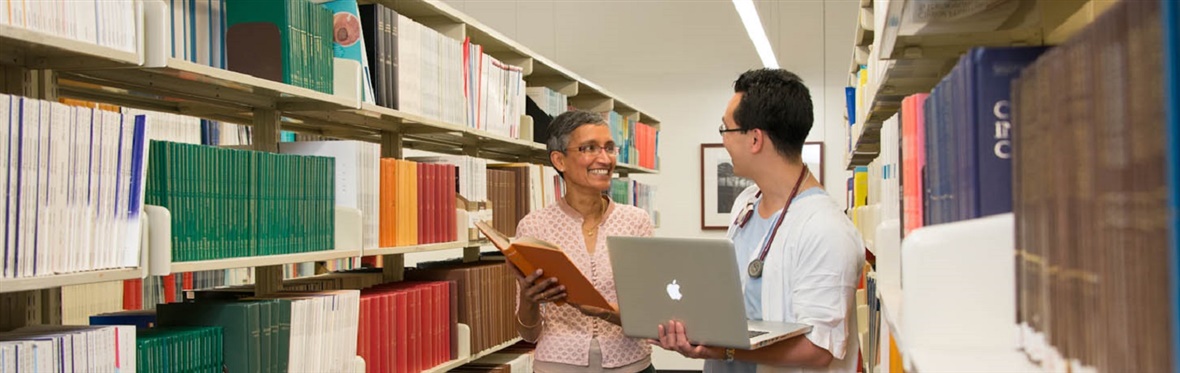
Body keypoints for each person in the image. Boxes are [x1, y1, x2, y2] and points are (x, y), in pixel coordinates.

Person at [653, 68, 865, 373]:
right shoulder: (746, 202)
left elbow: (819, 349)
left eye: (725, 130)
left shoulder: (826, 229)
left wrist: (724, 349)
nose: (723, 141)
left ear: (754, 139)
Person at [513, 110, 657, 373]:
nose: (604, 158)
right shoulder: (533, 226)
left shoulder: (636, 222)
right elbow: (529, 334)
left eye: (609, 148)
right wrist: (528, 298)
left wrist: (604, 310)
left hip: (632, 366)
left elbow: (649, 317)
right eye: (589, 148)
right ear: (559, 160)